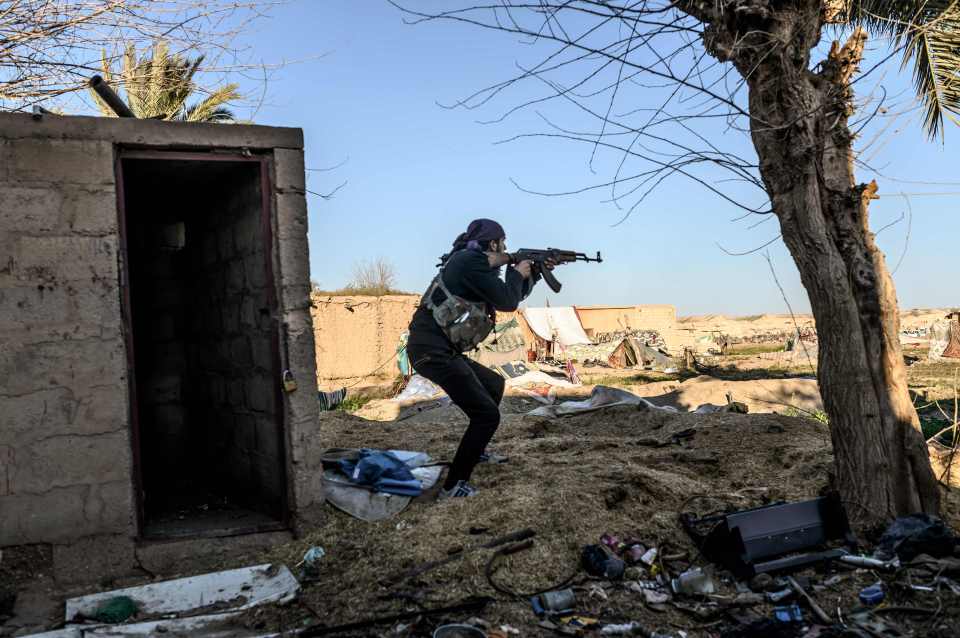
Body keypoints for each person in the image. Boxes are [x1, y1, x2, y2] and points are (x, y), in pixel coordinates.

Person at [407, 218, 547, 499]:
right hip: (432, 351)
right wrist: (516, 268)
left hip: (440, 349)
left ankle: (476, 452)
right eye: (503, 243)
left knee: (494, 384)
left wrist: (533, 272)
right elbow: (508, 301)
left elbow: (509, 296)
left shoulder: (472, 265)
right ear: (493, 243)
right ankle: (453, 486)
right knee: (486, 415)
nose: (507, 248)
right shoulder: (469, 260)